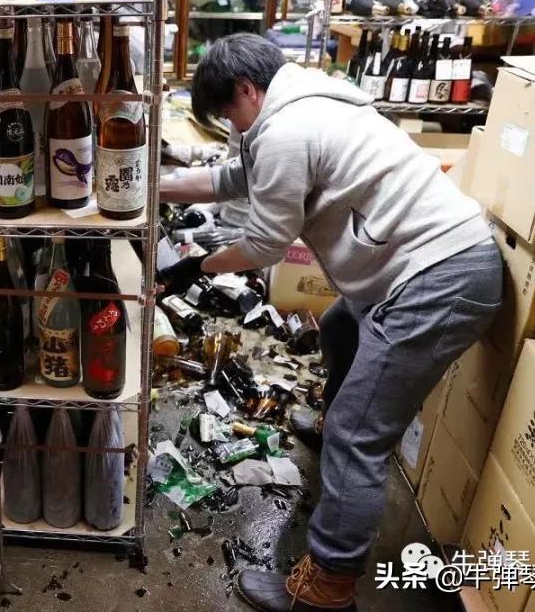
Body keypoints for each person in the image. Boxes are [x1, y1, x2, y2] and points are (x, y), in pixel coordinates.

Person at [158, 34, 502, 612]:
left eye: (228, 114)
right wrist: (152, 184)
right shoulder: (308, 103)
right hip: (420, 267)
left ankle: (327, 587)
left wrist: (196, 265)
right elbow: (230, 179)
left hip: (437, 280)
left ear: (247, 89)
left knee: (358, 433)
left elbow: (264, 245)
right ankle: (332, 424)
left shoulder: (287, 130)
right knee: (341, 326)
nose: (232, 127)